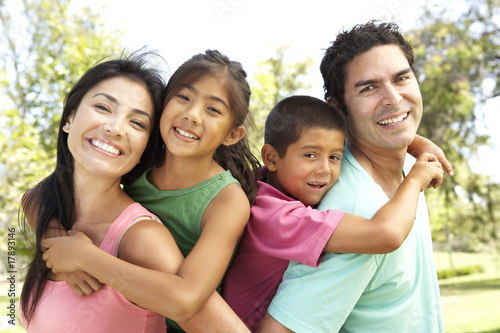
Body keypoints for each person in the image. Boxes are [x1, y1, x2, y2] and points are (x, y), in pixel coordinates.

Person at [39, 50, 260, 332]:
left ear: (232, 135)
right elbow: (39, 195)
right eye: (183, 97)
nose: (191, 115)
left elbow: (186, 300)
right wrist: (55, 238)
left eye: (213, 109)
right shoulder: (137, 166)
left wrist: (86, 258)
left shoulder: (227, 200)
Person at [260, 21, 446, 332]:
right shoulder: (357, 209)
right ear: (338, 109)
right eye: (369, 88)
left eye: (401, 79)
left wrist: (420, 144)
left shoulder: (404, 170)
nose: (393, 99)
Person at [222, 95, 444, 332]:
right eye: (310, 155)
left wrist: (413, 142)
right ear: (271, 157)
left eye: (335, 157)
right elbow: (386, 234)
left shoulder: (265, 185)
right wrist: (414, 181)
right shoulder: (278, 218)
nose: (324, 169)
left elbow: (336, 133)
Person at [19, 52, 170, 332]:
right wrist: (55, 237)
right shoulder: (49, 208)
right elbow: (32, 197)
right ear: (69, 119)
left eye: (137, 123)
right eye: (103, 107)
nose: (114, 128)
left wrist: (90, 260)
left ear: (143, 152)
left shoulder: (142, 238)